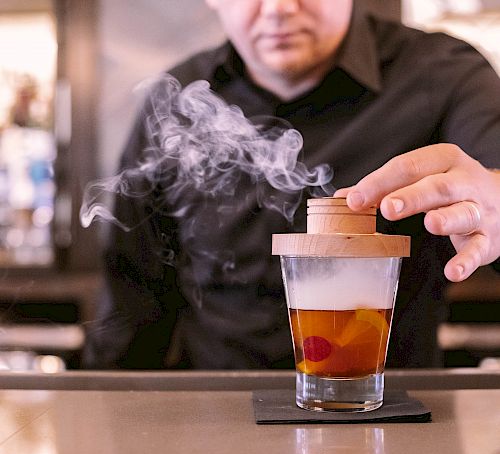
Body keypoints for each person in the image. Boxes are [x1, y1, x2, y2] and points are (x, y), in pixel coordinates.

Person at [82, 0, 500, 370]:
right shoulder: (176, 106)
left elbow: (493, 188)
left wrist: (493, 203)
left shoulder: (444, 76)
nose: (279, 7)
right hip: (216, 423)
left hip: (390, 415)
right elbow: (131, 291)